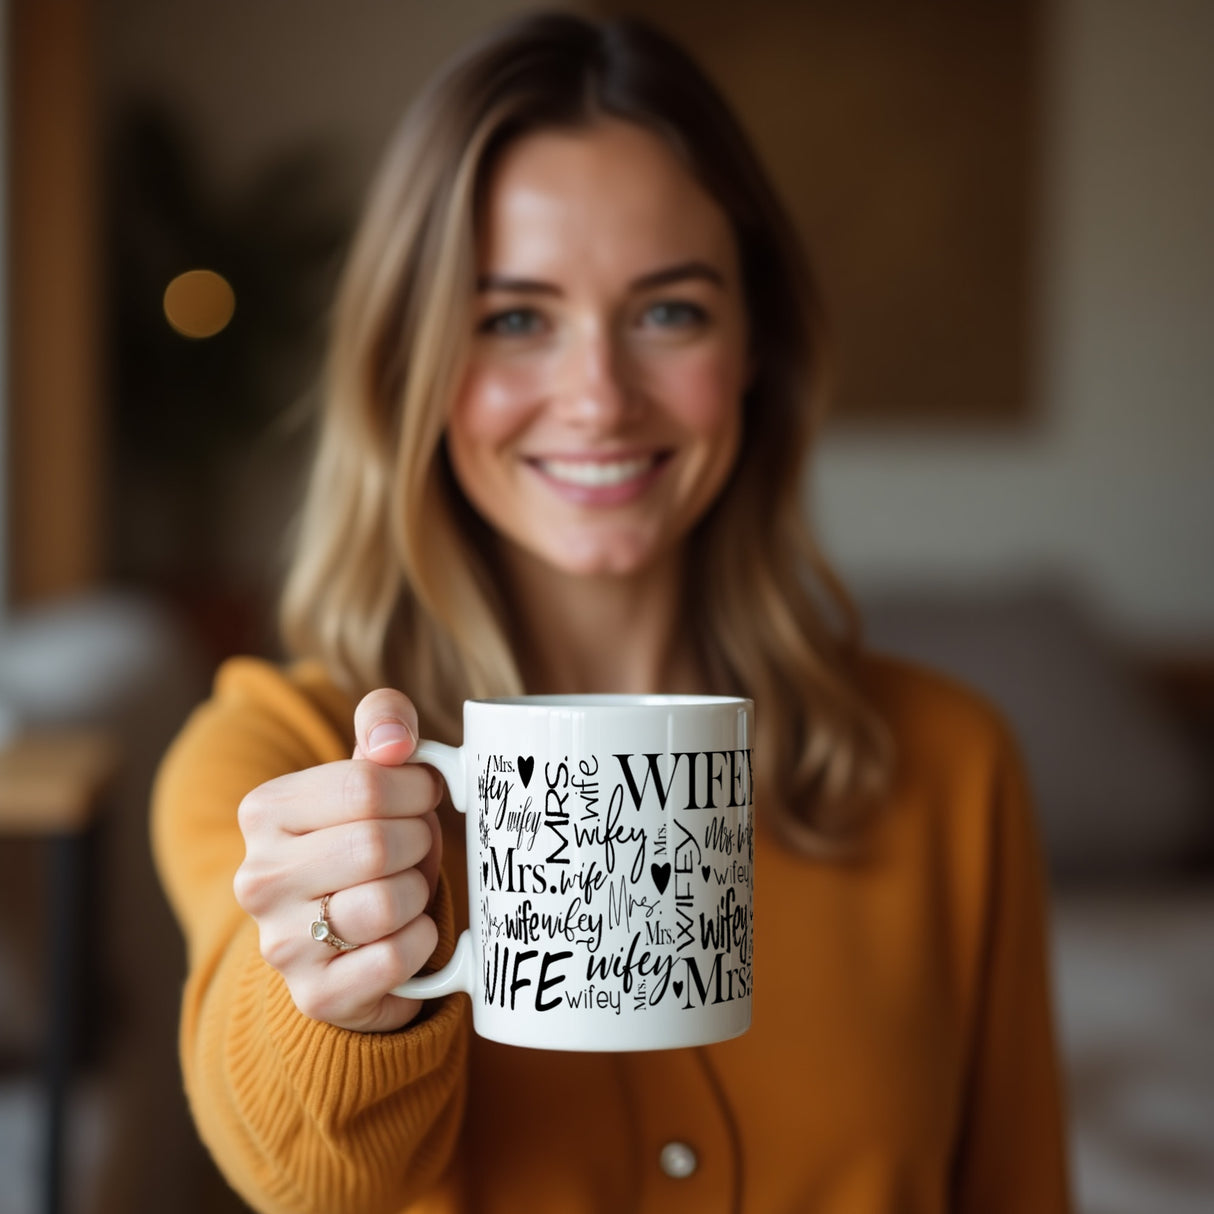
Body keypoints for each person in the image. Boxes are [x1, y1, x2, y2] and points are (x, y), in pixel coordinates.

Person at [152, 11, 1073, 1213]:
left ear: (755, 347)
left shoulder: (949, 765)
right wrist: (342, 996)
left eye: (667, 310)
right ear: (409, 364)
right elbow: (303, 1179)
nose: (596, 397)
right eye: (514, 318)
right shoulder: (278, 763)